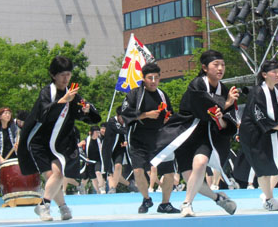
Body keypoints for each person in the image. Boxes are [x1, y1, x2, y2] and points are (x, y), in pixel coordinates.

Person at [152, 50, 239, 217]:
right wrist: (226, 103)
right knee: (192, 178)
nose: (220, 68)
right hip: (185, 133)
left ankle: (186, 204)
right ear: (205, 68)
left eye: (223, 65)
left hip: (206, 135)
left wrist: (221, 119)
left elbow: (228, 119)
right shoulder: (197, 84)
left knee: (200, 163)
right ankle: (218, 198)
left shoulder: (225, 89)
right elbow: (202, 108)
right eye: (216, 65)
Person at [18, 56, 101, 221]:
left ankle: (44, 205)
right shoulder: (47, 92)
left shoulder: (73, 94)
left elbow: (92, 118)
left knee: (56, 174)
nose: (66, 78)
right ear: (53, 75)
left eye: (68, 74)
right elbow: (43, 115)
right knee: (53, 177)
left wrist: (86, 111)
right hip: (39, 142)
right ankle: (61, 207)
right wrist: (64, 101)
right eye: (62, 74)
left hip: (58, 144)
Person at [121, 62, 179, 214]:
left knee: (169, 172)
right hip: (138, 139)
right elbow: (124, 113)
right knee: (138, 171)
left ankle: (165, 203)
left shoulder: (162, 95)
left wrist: (168, 118)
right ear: (143, 78)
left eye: (156, 78)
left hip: (160, 139)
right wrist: (146, 115)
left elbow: (171, 113)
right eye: (150, 78)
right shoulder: (134, 94)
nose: (153, 81)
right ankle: (146, 198)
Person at [239, 60, 278, 211]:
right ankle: (268, 199)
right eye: (274, 72)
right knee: (263, 169)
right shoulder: (257, 92)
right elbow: (258, 115)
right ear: (264, 75)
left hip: (271, 133)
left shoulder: (277, 92)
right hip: (254, 135)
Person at [102, 106, 137, 193]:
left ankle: (113, 188)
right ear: (118, 115)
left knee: (118, 166)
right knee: (111, 173)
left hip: (119, 148)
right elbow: (122, 130)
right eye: (122, 117)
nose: (123, 119)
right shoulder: (111, 121)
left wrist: (126, 141)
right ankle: (129, 184)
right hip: (108, 149)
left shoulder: (126, 122)